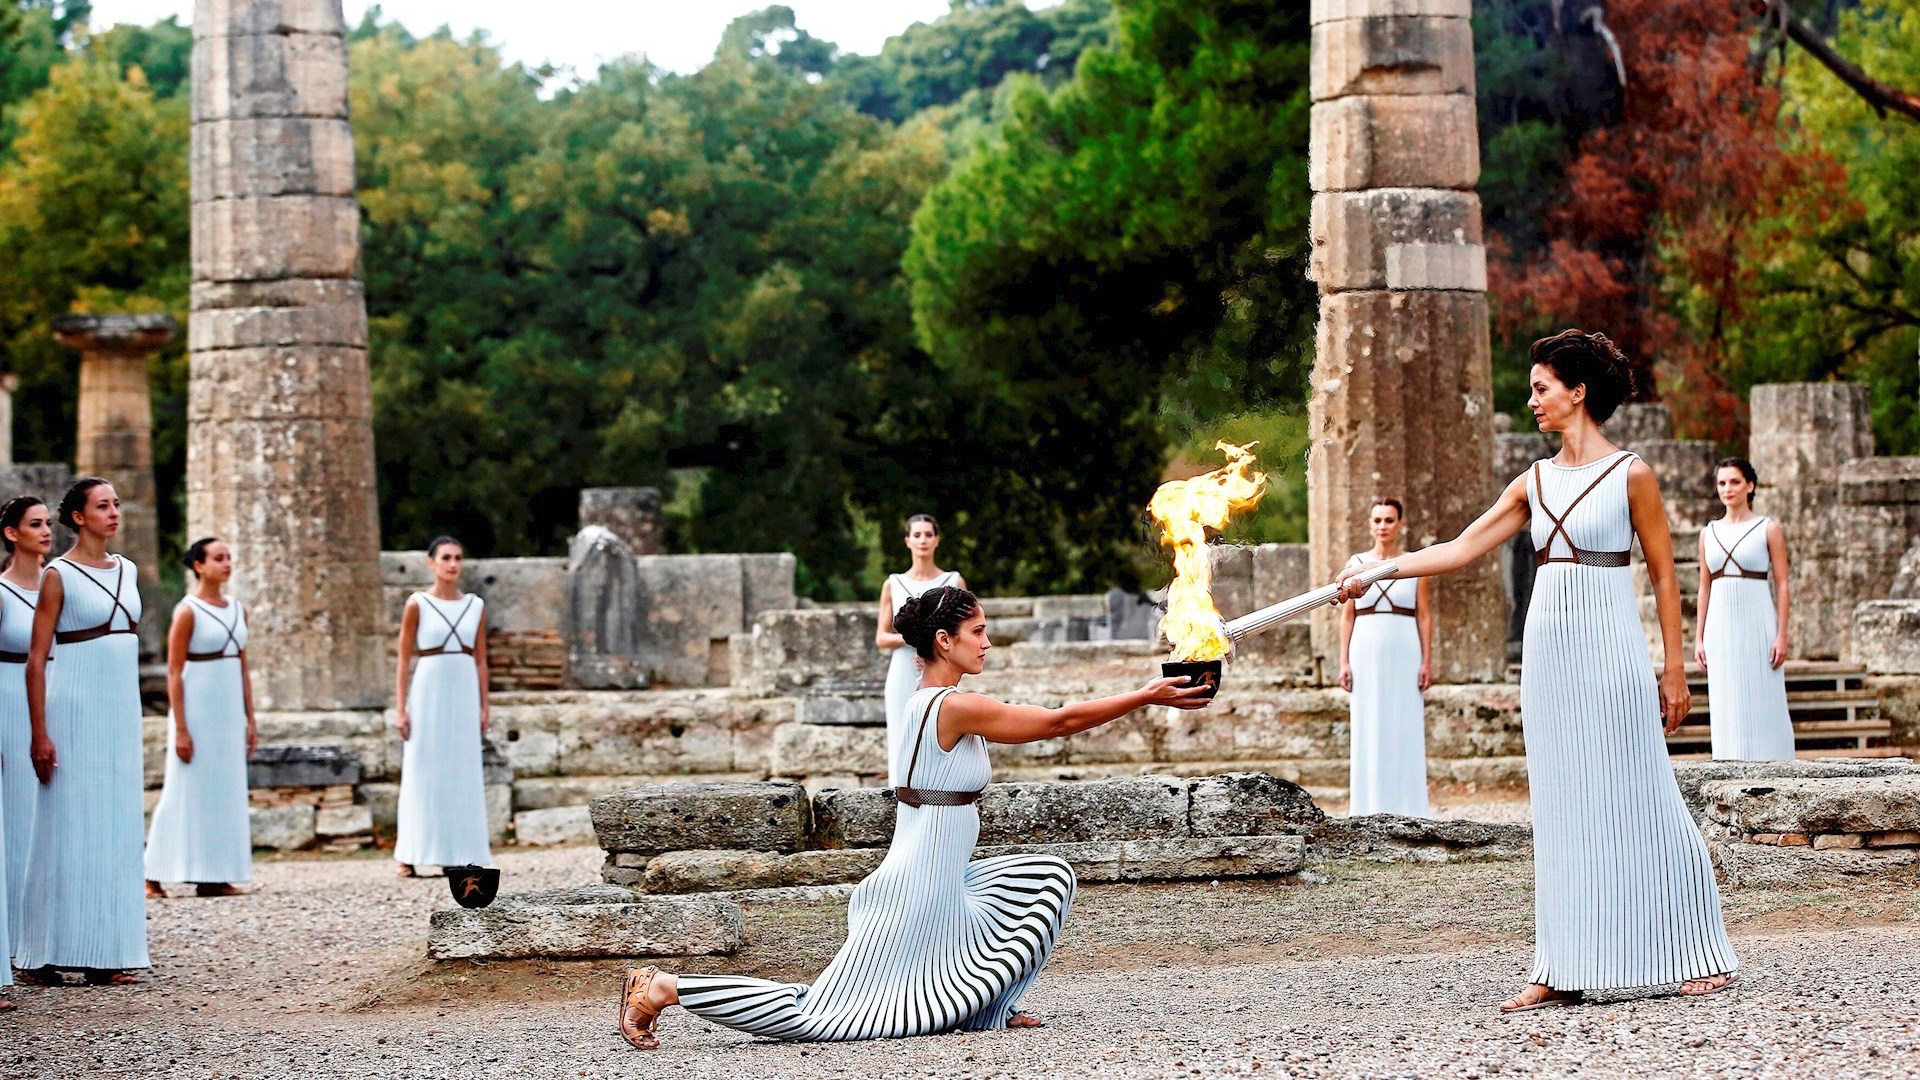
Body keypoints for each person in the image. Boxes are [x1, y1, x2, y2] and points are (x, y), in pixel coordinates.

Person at [614, 585, 1211, 1049]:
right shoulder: (949, 706)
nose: (987, 642)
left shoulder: (933, 703)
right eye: (978, 632)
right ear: (945, 641)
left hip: (944, 883)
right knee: (823, 1017)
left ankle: (985, 1007)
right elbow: (1056, 722)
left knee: (1047, 879)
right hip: (915, 890)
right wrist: (1145, 696)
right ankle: (662, 987)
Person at [1337, 329, 1737, 1010]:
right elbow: (1461, 547)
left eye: (1541, 388)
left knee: (1643, 790)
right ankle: (1560, 964)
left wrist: (1674, 670)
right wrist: (1379, 571)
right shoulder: (1533, 481)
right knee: (1557, 805)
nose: (1532, 400)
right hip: (1548, 655)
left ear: (1577, 392)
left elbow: (1666, 575)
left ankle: (1699, 948)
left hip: (1610, 648)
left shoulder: (1631, 474)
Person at [15, 478, 149, 985]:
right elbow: (35, 660)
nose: (113, 513)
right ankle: (40, 954)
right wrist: (39, 733)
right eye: (102, 506)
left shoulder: (129, 570)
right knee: (67, 827)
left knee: (117, 826)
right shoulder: (58, 575)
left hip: (120, 713)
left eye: (116, 504)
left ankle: (107, 952)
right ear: (78, 516)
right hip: (73, 711)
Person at [144, 538, 257, 898]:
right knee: (184, 788)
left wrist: (250, 719)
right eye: (218, 558)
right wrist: (180, 728)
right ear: (199, 566)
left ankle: (214, 875)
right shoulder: (187, 611)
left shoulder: (238, 609)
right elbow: (174, 671)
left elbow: (242, 667)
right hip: (197, 710)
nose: (226, 564)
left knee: (224, 790)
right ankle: (152, 873)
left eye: (229, 558)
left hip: (227, 713)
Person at [393, 536, 491, 877]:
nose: (452, 564)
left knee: (461, 770)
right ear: (431, 563)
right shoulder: (417, 604)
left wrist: (485, 706)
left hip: (464, 690)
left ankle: (458, 851)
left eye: (457, 558)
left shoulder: (475, 606)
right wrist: (400, 708)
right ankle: (409, 853)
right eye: (446, 558)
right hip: (427, 690)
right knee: (422, 768)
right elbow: (403, 659)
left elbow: (481, 659)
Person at [1337, 497, 1434, 817]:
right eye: (1377, 520)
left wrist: (1426, 661)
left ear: (1400, 524)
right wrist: (1343, 661)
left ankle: (1410, 807)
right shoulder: (1355, 563)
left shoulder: (1414, 564)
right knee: (1368, 722)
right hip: (1365, 647)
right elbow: (1347, 617)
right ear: (1369, 524)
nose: (1383, 526)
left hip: (1405, 647)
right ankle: (1367, 806)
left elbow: (1424, 615)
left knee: (1404, 722)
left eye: (1389, 520)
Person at [1695, 458, 1795, 761]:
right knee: (1726, 701)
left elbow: (1782, 585)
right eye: (1722, 483)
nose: (1728, 489)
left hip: (1759, 626)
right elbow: (1704, 587)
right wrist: (1698, 638)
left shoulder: (1768, 529)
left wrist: (1781, 635)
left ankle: (1776, 765)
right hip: (1719, 629)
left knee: (1764, 698)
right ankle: (1729, 763)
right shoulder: (1708, 533)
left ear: (1750, 486)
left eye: (1735, 482)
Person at [0, 495, 52, 966]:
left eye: (48, 523)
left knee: (49, 817)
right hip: (10, 704)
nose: (46, 531)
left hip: (56, 701)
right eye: (35, 524)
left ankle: (48, 936)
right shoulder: (1, 592)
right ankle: (14, 938)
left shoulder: (60, 585)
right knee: (17, 819)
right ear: (12, 533)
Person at [875, 515, 965, 765]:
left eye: (928, 534)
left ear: (937, 540)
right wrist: (912, 639)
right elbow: (881, 637)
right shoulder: (893, 583)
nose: (922, 540)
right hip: (903, 670)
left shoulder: (953, 582)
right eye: (917, 535)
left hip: (941, 668)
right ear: (907, 541)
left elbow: (964, 631)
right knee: (901, 739)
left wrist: (932, 647)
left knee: (941, 734)